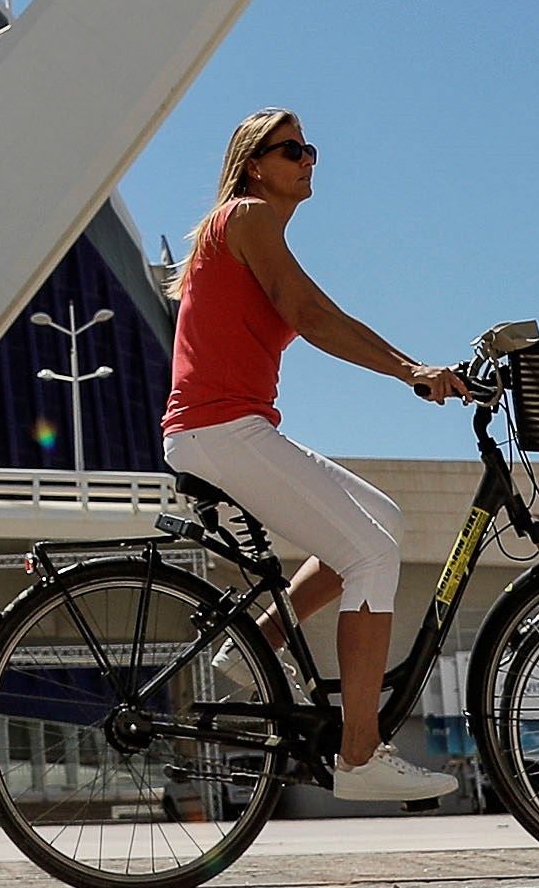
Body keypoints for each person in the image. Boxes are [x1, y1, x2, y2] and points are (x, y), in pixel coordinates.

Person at [160, 108, 465, 805]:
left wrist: (414, 364)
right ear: (254, 162)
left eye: (311, 149)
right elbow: (311, 314)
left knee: (380, 522)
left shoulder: (252, 227)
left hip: (231, 426)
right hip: (219, 428)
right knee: (372, 555)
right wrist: (408, 370)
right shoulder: (245, 216)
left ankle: (256, 642)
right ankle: (359, 753)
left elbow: (322, 307)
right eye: (291, 148)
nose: (308, 159)